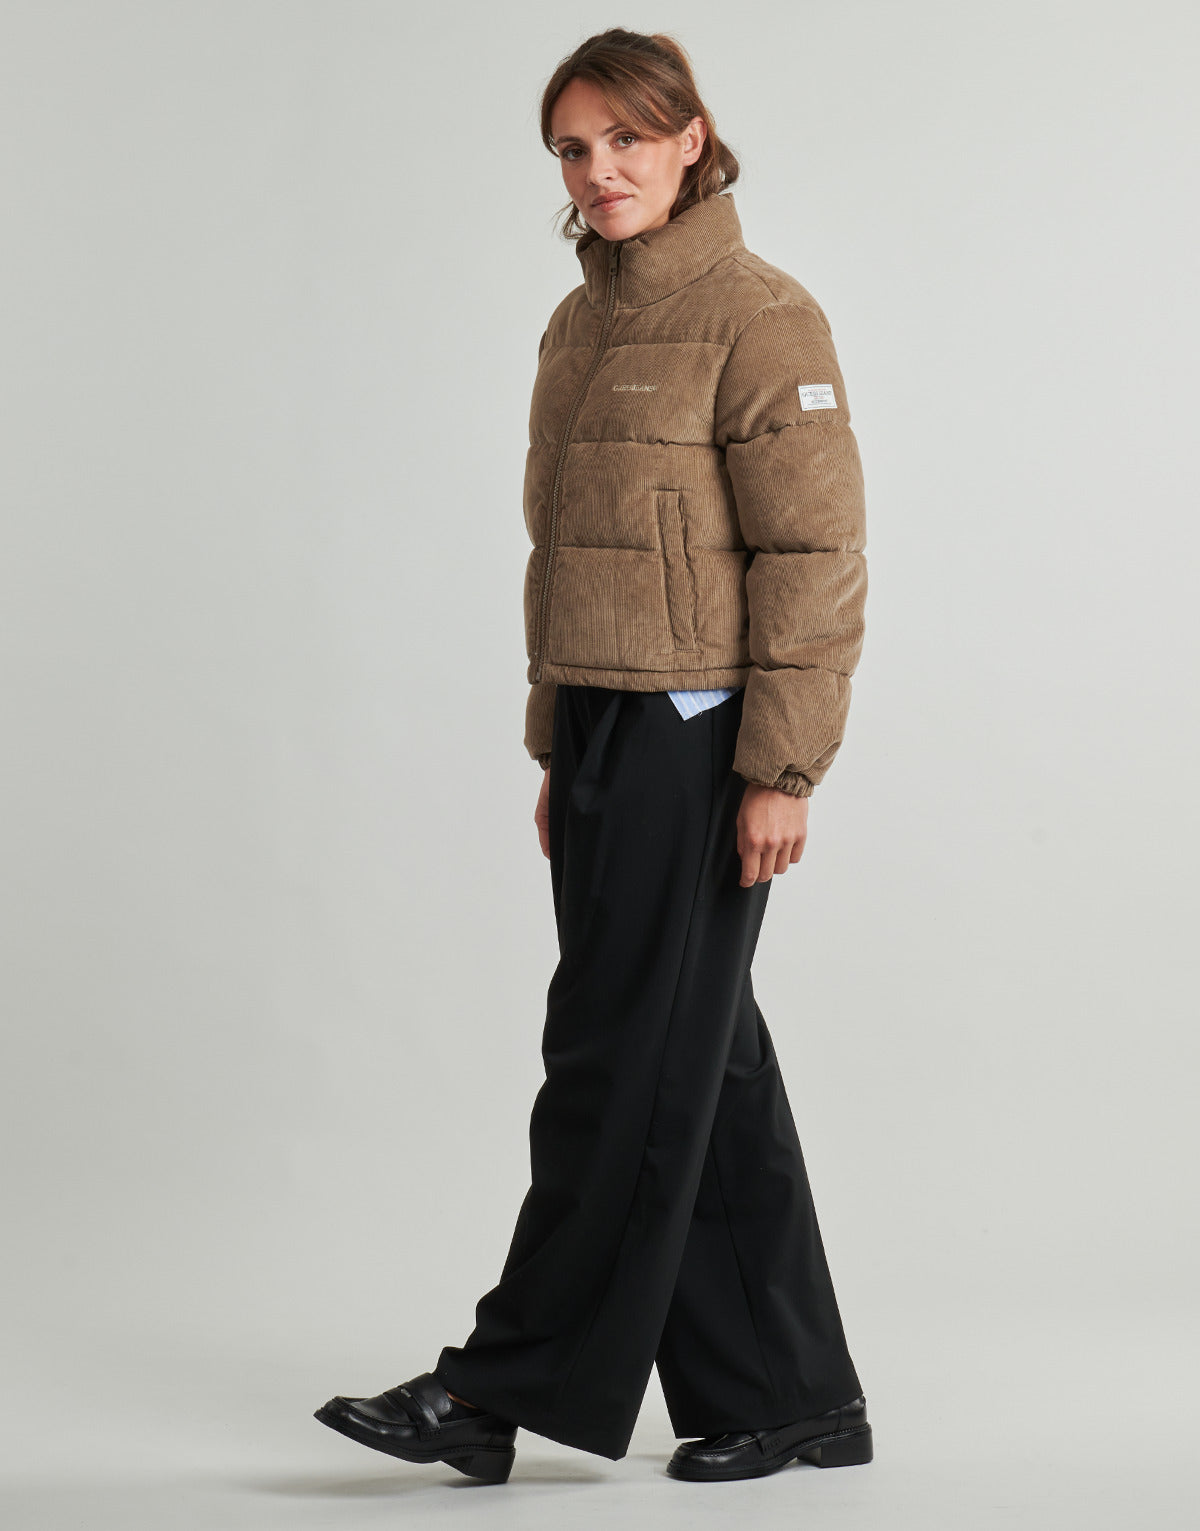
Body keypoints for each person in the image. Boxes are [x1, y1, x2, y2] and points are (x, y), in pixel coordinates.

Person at [314, 27, 872, 1486]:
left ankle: (496, 1388)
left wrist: (783, 768)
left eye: (626, 138)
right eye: (572, 147)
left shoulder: (762, 316)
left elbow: (814, 554)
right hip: (609, 725)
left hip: (706, 733)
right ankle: (793, 1394)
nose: (599, 170)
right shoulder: (582, 323)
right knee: (698, 1054)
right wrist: (559, 742)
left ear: (692, 137)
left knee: (617, 1057)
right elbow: (569, 554)